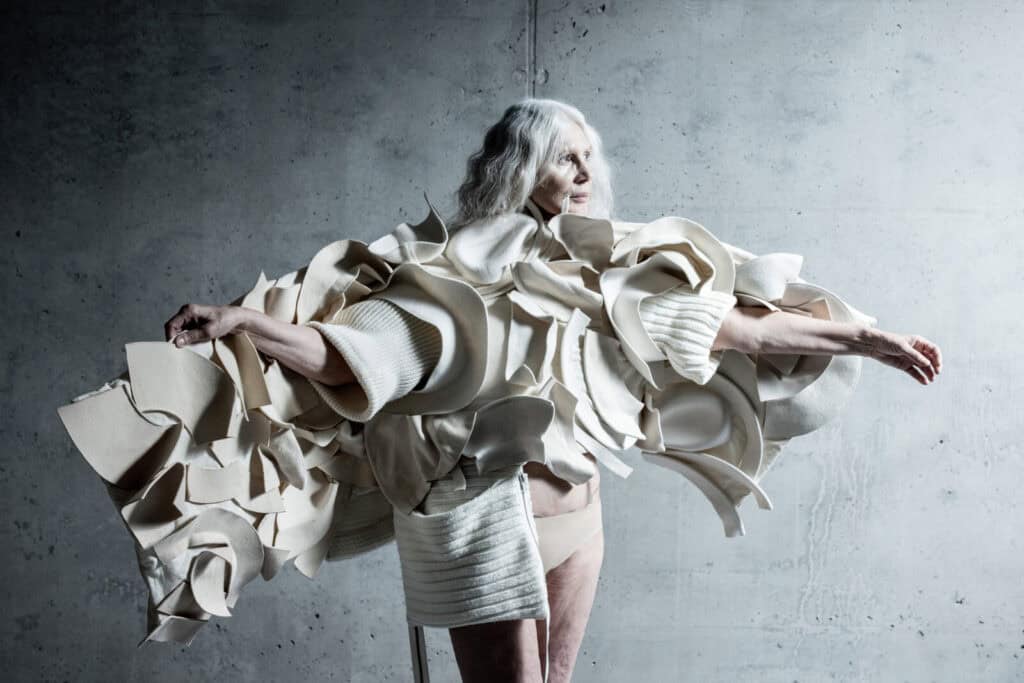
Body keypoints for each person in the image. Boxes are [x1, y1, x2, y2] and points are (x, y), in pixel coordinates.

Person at [63, 98, 941, 683]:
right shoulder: (448, 277)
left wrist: (868, 336)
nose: (586, 169)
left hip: (580, 522)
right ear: (526, 168)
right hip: (479, 527)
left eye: (590, 154)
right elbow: (347, 357)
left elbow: (742, 330)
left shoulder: (614, 270)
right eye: (566, 156)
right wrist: (247, 325)